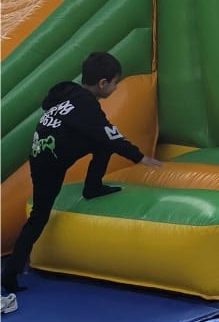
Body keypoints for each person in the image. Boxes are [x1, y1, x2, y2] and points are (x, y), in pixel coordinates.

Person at [1, 52, 162, 295]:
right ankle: (9, 275)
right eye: (116, 83)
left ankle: (92, 187)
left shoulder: (70, 97)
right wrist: (140, 157)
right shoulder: (85, 105)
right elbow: (109, 133)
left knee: (102, 142)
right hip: (49, 165)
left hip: (43, 155)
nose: (116, 88)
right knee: (39, 216)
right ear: (103, 83)